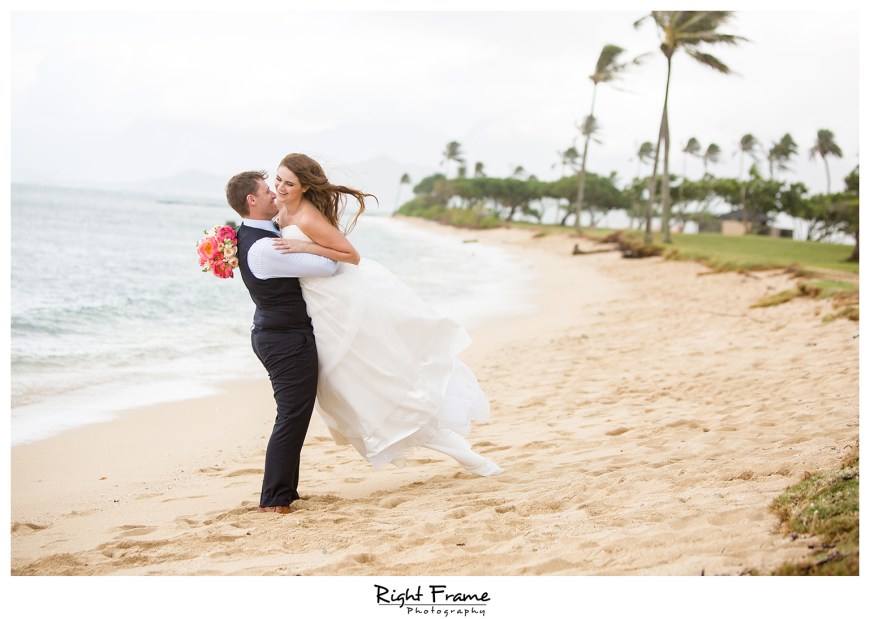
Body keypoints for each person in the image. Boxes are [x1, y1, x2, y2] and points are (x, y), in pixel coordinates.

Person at [268, 153, 503, 476]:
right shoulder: (282, 210)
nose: (280, 186)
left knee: (372, 382)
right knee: (349, 386)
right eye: (278, 179)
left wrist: (305, 247)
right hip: (317, 306)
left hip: (339, 304)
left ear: (305, 187)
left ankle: (468, 456)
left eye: (289, 183)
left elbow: (350, 255)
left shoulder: (307, 218)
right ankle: (465, 455)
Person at [225, 170, 339, 514]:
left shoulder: (256, 234)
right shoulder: (264, 247)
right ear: (251, 200)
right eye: (267, 190)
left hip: (278, 334)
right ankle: (274, 498)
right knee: (291, 415)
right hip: (284, 339)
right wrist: (308, 244)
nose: (275, 193)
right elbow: (329, 266)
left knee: (295, 414)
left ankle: (286, 492)